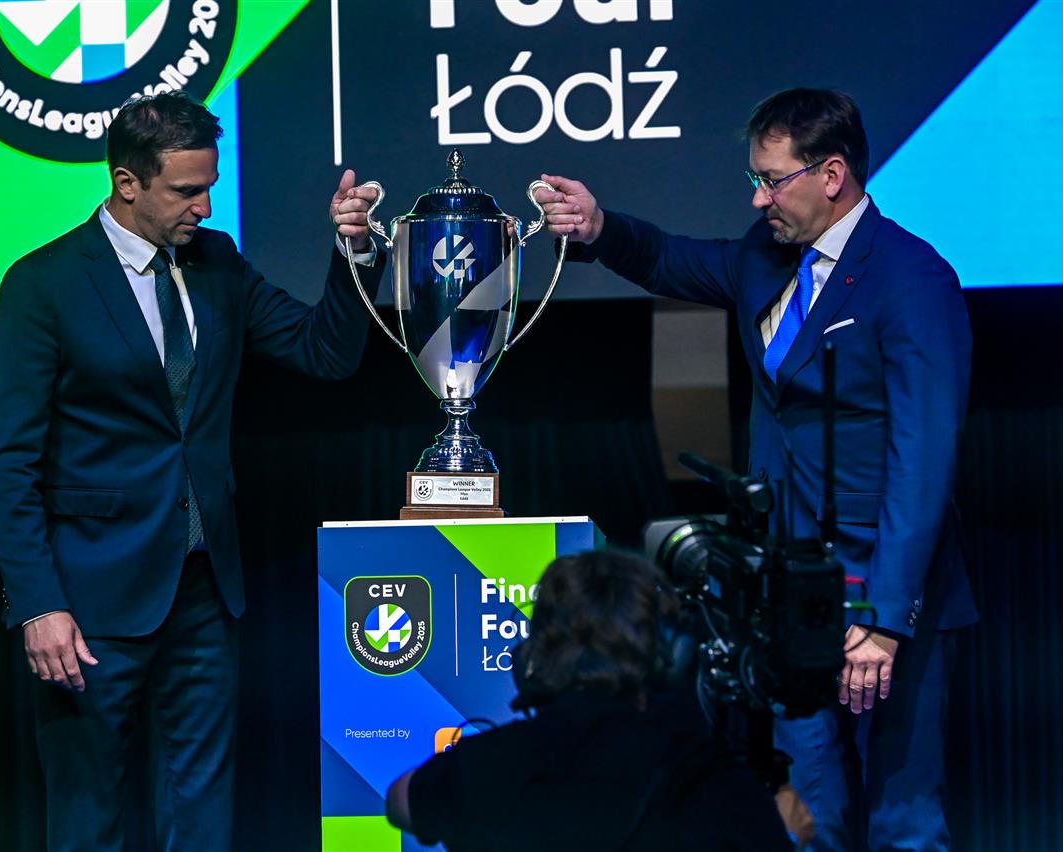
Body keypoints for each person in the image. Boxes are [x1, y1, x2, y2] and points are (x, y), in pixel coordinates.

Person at [535, 88, 976, 850]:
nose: (757, 197)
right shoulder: (763, 258)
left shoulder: (911, 279)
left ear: (831, 174)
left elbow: (925, 459)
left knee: (902, 824)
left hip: (885, 595)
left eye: (772, 180)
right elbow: (672, 259)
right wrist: (601, 228)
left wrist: (883, 622)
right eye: (755, 178)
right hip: (790, 594)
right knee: (808, 818)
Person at [0, 91, 385, 851]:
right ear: (127, 183)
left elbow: (324, 353)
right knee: (89, 818)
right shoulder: (43, 283)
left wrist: (354, 253)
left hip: (202, 592)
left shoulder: (217, 263)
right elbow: (8, 463)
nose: (205, 206)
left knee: (201, 813)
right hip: (89, 603)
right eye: (186, 190)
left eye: (210, 186)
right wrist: (38, 605)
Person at [385, 550, 800, 851]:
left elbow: (400, 801)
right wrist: (785, 834)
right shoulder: (712, 782)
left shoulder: (483, 764)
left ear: (532, 657)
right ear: (672, 657)